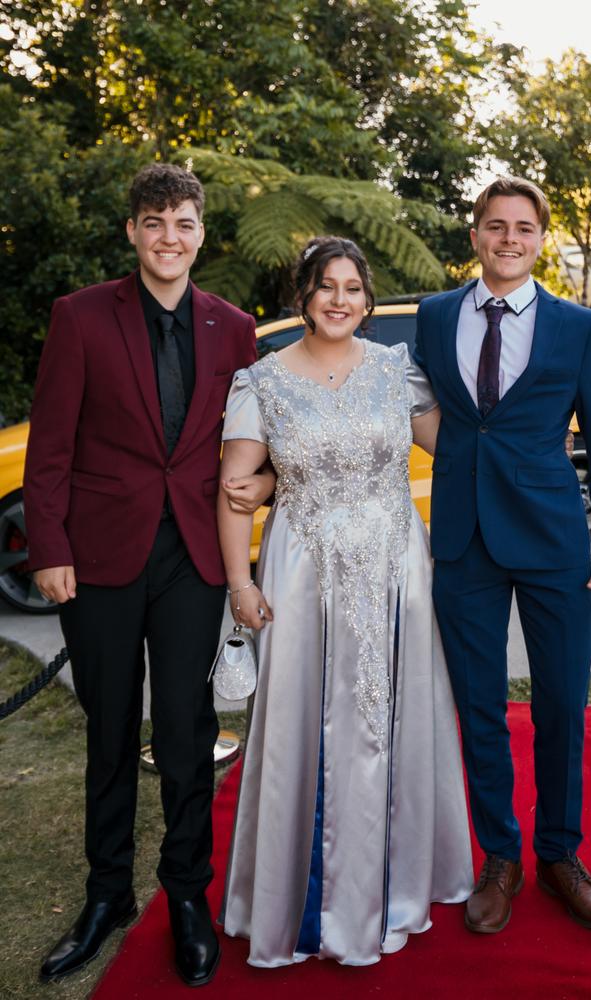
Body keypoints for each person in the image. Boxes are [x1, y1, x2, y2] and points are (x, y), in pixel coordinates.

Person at [23, 163, 273, 986]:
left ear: (203, 233)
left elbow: (259, 441)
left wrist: (265, 483)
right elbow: (50, 445)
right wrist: (50, 546)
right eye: (155, 222)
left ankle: (186, 893)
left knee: (186, 730)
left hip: (196, 556)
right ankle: (106, 894)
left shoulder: (233, 327)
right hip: (97, 555)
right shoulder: (81, 316)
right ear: (132, 231)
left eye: (185, 223)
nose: (171, 237)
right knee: (108, 729)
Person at [216, 236, 474, 967]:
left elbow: (457, 449)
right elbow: (235, 492)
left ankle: (397, 885)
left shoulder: (398, 373)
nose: (340, 299)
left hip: (397, 569)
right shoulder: (260, 382)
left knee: (398, 719)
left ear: (367, 298)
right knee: (306, 728)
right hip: (303, 573)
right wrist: (241, 583)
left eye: (353, 288)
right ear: (303, 296)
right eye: (326, 286)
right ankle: (304, 904)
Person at [414, 176, 591, 935]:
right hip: (464, 542)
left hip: (552, 544)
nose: (509, 239)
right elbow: (398, 412)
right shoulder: (437, 315)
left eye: (523, 228)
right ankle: (500, 857)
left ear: (539, 240)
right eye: (495, 226)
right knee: (478, 710)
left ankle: (561, 857)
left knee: (561, 709)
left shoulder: (576, 327)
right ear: (474, 235)